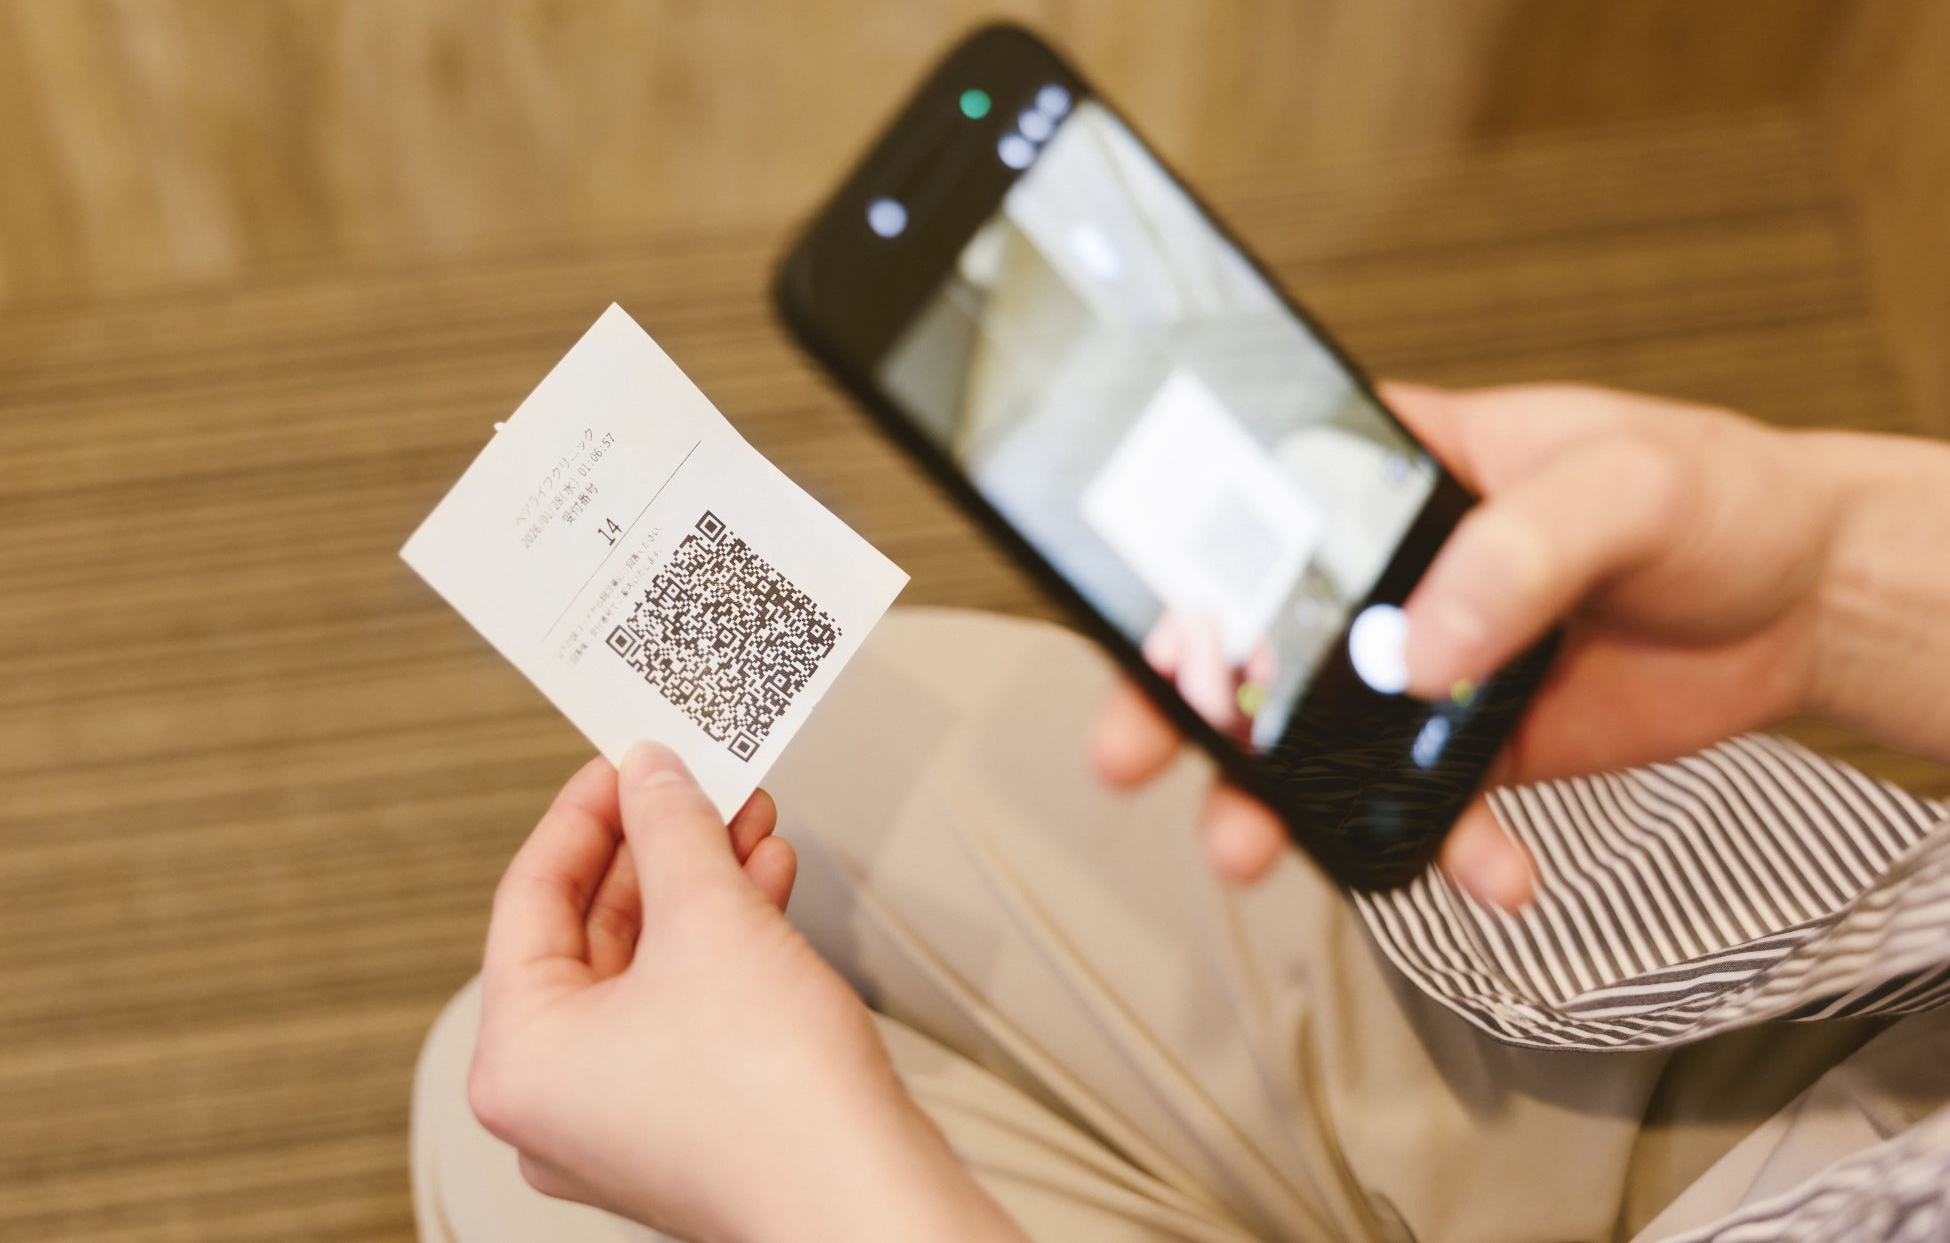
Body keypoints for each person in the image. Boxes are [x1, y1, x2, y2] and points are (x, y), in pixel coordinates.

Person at [444, 382, 1950, 1242]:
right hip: (1837, 1010)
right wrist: (1840, 576)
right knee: (816, 731)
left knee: (493, 1112)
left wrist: (808, 1186)